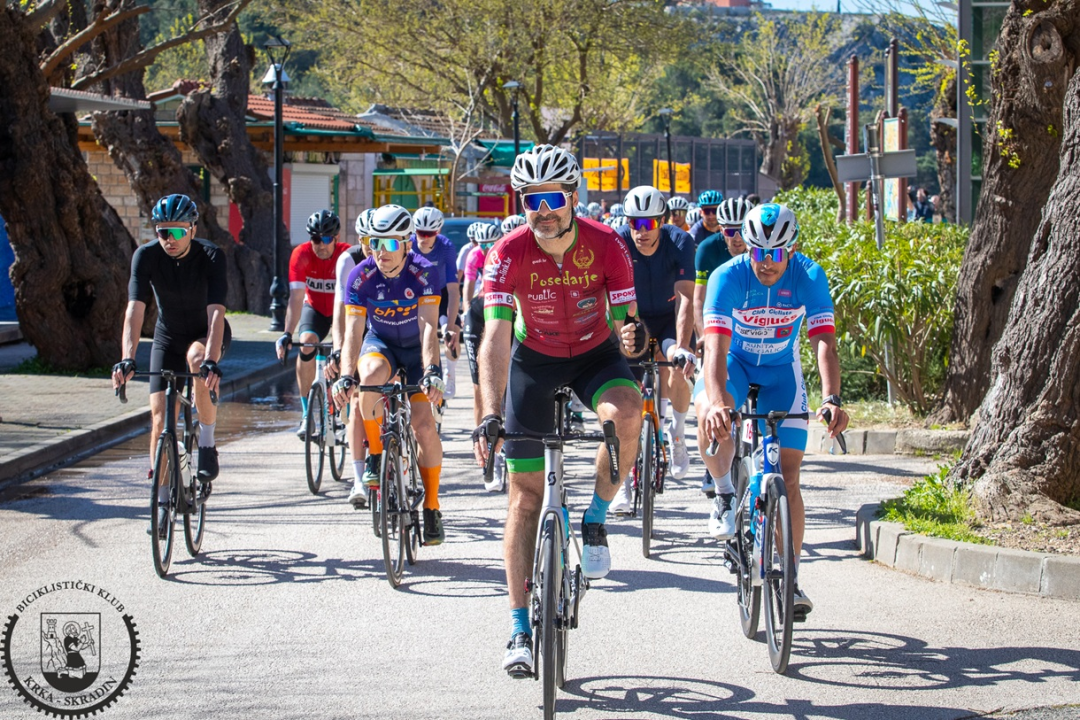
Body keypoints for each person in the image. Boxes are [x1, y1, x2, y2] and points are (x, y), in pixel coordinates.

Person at [471, 145, 642, 678]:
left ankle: (593, 520)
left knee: (628, 411)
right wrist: (489, 413)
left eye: (551, 198)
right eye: (529, 200)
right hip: (534, 359)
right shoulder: (507, 251)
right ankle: (520, 628)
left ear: (572, 197)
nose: (541, 210)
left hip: (595, 353)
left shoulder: (608, 243)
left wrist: (635, 339)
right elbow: (494, 340)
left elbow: (628, 325)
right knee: (524, 500)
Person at [699, 202, 849, 616]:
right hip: (733, 365)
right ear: (746, 247)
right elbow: (714, 348)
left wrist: (831, 398)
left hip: (782, 371)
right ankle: (726, 494)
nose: (766, 263)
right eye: (757, 252)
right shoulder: (726, 277)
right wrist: (715, 403)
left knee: (790, 476)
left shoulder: (809, 276)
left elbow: (824, 343)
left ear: (793, 248)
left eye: (776, 254)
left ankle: (793, 575)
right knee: (714, 421)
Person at [331, 204, 447, 545]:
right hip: (380, 342)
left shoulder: (424, 273)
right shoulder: (361, 275)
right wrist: (345, 374)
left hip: (414, 350)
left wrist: (432, 371)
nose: (382, 252)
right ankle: (377, 455)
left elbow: (428, 327)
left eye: (391, 244)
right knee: (369, 376)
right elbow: (353, 331)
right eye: (375, 243)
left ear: (407, 244)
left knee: (424, 426)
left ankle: (431, 507)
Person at [112, 193, 228, 529]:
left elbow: (217, 313)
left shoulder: (211, 256)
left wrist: (210, 359)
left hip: (206, 333)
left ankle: (206, 442)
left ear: (192, 229)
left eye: (176, 232)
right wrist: (127, 358)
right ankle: (161, 499)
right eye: (162, 232)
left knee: (195, 358)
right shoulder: (145, 256)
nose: (168, 240)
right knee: (160, 418)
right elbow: (135, 310)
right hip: (167, 336)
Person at [611, 185, 697, 511]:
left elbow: (686, 296)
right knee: (626, 401)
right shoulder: (617, 241)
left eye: (648, 224)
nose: (641, 231)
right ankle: (622, 482)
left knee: (676, 365)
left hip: (666, 318)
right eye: (635, 223)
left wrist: (684, 347)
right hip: (631, 315)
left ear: (662, 220)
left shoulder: (680, 241)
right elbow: (609, 292)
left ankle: (677, 433)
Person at [692, 196, 754, 520]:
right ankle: (720, 479)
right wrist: (704, 337)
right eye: (728, 230)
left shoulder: (761, 259)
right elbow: (699, 300)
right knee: (711, 402)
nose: (735, 238)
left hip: (750, 343)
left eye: (741, 230)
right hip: (718, 332)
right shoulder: (707, 250)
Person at [275, 210, 350, 438]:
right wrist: (287, 333)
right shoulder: (301, 255)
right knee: (307, 343)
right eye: (316, 239)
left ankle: (345, 408)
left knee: (345, 351)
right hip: (315, 309)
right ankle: (307, 413)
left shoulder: (346, 255)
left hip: (341, 310)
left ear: (336, 238)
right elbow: (296, 298)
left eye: (327, 239)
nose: (321, 245)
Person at [333, 208, 376, 508]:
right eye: (366, 240)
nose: (372, 246)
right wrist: (339, 350)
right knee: (358, 402)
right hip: (359, 331)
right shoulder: (349, 261)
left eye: (377, 239)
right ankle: (358, 478)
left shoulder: (399, 258)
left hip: (390, 332)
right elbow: (341, 312)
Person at [411, 207, 461, 398]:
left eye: (429, 234)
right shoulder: (408, 245)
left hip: (439, 294)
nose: (423, 238)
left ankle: (450, 374)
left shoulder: (446, 247)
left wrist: (449, 325)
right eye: (420, 233)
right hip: (415, 295)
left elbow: (453, 289)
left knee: (452, 333)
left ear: (437, 232)